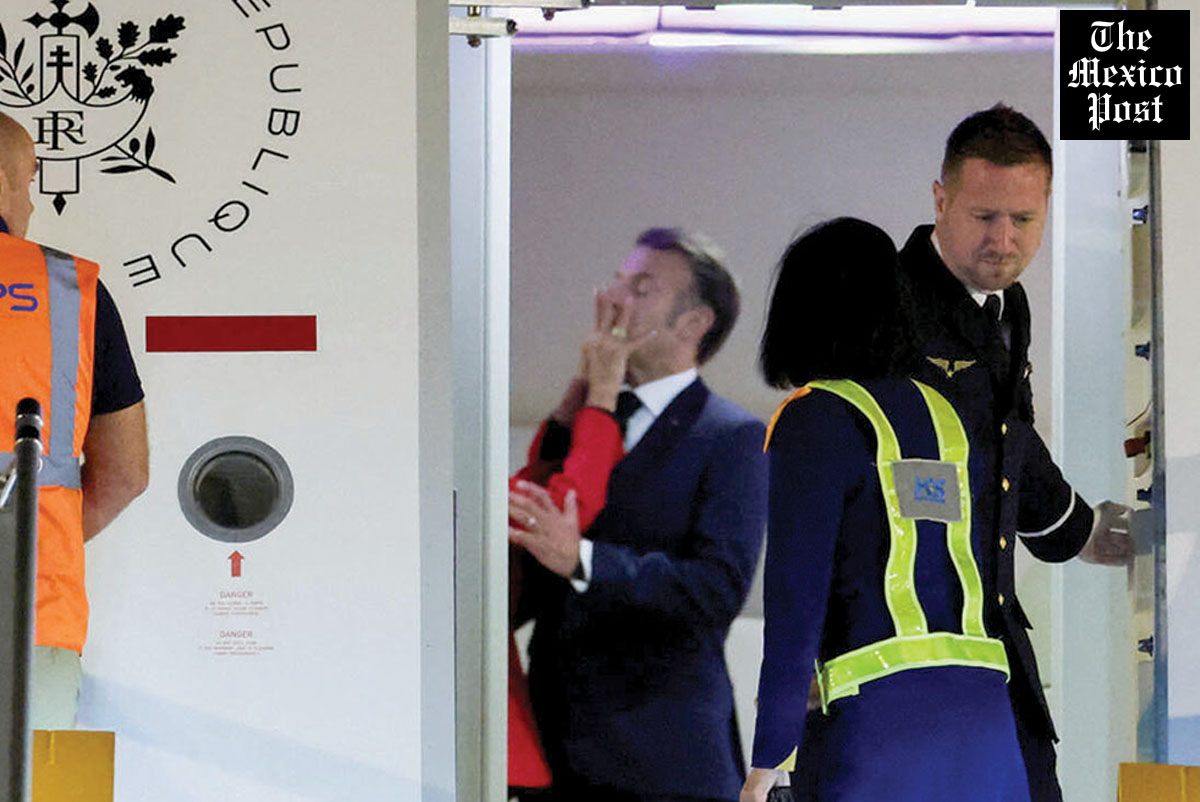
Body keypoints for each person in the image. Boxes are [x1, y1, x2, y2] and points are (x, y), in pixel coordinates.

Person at [743, 217, 1031, 802]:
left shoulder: (813, 418)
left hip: (876, 731)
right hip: (986, 727)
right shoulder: (946, 414)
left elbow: (796, 598)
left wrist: (771, 756)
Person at [897, 104, 1132, 802]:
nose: (1003, 240)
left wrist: (1082, 530)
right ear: (941, 201)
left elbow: (1010, 442)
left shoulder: (1009, 305)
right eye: (984, 216)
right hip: (907, 650)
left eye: (1024, 219)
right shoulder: (887, 307)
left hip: (992, 640)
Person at [509, 228, 768, 802]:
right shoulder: (582, 420)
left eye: (642, 288)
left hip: (662, 759)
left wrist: (583, 559)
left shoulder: (731, 436)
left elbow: (716, 589)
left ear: (694, 323)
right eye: (618, 280)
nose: (614, 299)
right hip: (557, 750)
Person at [0, 112, 149, 729]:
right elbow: (126, 473)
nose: (32, 204)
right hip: (33, 614)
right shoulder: (68, 290)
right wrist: (30, 548)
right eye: (30, 180)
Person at [506, 293, 650, 794]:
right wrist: (603, 395)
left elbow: (528, 489)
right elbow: (562, 509)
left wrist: (586, 383)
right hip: (482, 744)